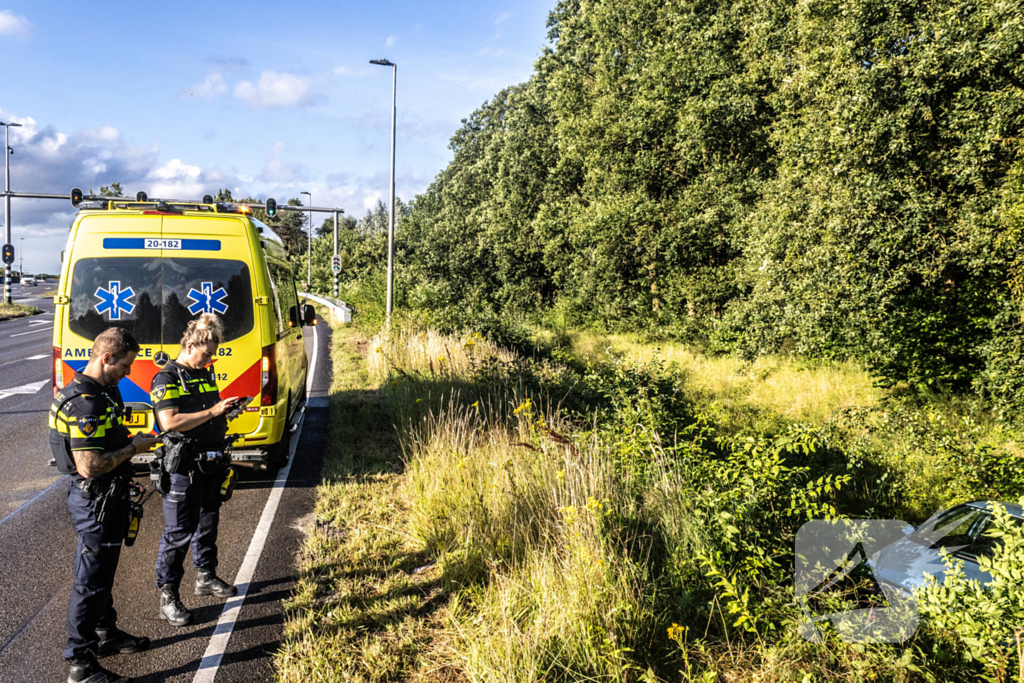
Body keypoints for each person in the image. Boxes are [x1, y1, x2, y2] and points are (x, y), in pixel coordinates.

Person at [49, 327, 159, 683]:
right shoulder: (86, 402)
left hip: (106, 495)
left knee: (102, 573)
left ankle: (105, 634)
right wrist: (135, 449)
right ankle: (80, 663)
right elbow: (89, 465)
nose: (127, 374)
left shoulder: (102, 391)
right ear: (106, 357)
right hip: (94, 497)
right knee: (91, 581)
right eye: (124, 366)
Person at [151, 313, 242, 626]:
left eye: (212, 354)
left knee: (208, 523)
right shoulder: (168, 377)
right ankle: (168, 596)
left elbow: (206, 414)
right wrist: (214, 410)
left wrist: (224, 413)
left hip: (210, 464)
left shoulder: (204, 373)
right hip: (184, 468)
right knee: (178, 534)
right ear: (189, 345)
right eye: (206, 353)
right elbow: (170, 422)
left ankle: (206, 577)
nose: (210, 359)